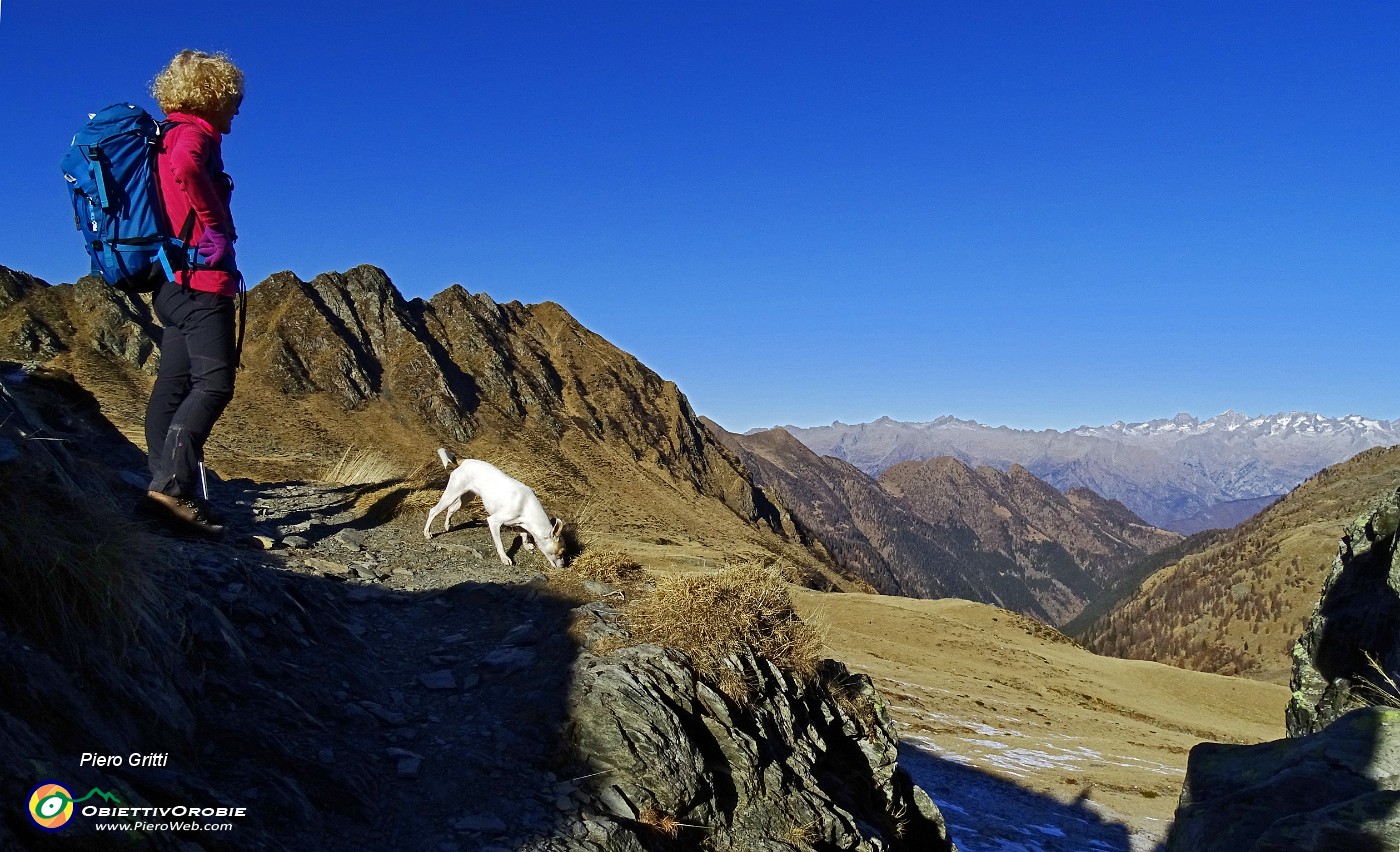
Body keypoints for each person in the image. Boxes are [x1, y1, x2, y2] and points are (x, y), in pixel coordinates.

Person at [139, 50, 245, 536]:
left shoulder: (164, 134)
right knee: (214, 384)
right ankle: (171, 491)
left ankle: (163, 488)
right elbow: (187, 169)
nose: (238, 109)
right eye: (234, 98)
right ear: (213, 95)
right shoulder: (194, 136)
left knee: (173, 385)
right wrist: (216, 227)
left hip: (168, 283)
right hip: (202, 283)